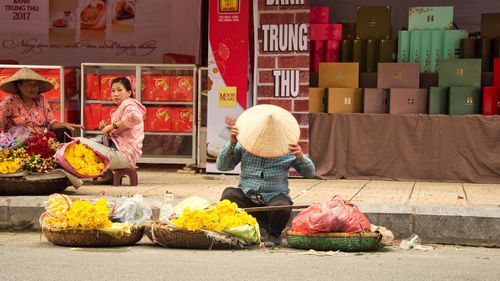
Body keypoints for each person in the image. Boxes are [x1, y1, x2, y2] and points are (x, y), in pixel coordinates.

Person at [216, 104, 316, 247]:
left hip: (274, 197)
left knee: (282, 206)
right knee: (229, 195)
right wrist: (232, 143)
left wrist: (300, 156)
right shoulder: (245, 144)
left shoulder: (287, 148)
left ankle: (274, 234)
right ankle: (242, 229)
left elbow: (310, 173)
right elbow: (223, 166)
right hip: (247, 196)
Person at [77, 77, 146, 171]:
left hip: (123, 154)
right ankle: (106, 175)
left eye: (120, 90)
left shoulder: (128, 103)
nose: (116, 94)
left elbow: (136, 116)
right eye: (113, 91)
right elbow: (123, 126)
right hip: (125, 154)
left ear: (129, 93)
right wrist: (106, 127)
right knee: (89, 141)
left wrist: (113, 126)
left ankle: (100, 174)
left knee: (78, 142)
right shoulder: (124, 106)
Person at [0, 67, 82, 142]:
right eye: (29, 85)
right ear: (19, 86)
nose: (33, 88)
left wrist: (64, 124)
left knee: (63, 131)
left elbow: (51, 122)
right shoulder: (9, 101)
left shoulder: (41, 99)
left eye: (36, 85)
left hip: (41, 141)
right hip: (18, 143)